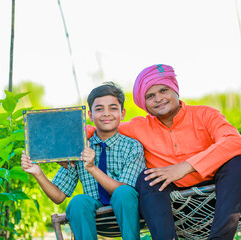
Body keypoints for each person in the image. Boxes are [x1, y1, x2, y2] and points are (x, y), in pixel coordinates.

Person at [87, 64, 241, 240]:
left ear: (175, 90)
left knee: (237, 162)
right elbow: (104, 126)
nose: (158, 99)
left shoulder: (205, 115)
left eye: (163, 90)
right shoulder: (139, 126)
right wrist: (80, 139)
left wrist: (185, 167)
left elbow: (234, 141)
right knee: (146, 179)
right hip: (175, 209)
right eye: (150, 96)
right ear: (144, 103)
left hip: (219, 201)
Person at [21, 82, 146, 240]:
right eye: (99, 109)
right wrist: (38, 173)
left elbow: (125, 192)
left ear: (122, 114)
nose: (106, 114)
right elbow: (58, 196)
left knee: (123, 192)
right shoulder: (79, 147)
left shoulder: (132, 146)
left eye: (113, 108)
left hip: (129, 215)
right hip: (96, 218)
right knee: (78, 201)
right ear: (90, 115)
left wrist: (92, 168)